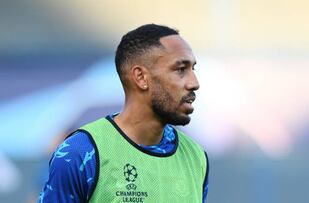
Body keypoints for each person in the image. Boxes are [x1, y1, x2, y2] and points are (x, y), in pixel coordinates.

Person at [38, 24, 209, 203]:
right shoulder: (80, 152)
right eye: (180, 69)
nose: (194, 83)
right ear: (141, 77)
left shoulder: (196, 157)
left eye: (193, 69)